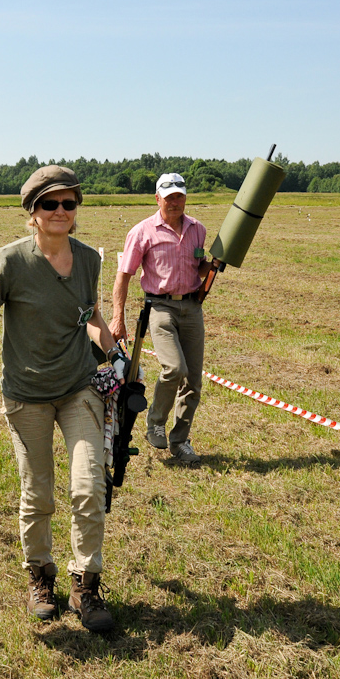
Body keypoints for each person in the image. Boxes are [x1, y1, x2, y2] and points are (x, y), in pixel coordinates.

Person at [0, 165, 128, 633]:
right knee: (37, 494)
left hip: (78, 388)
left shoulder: (88, 259)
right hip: (26, 395)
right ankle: (40, 576)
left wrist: (113, 354)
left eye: (69, 203)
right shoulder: (9, 262)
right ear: (32, 213)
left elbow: (91, 314)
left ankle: (86, 584)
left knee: (88, 486)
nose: (60, 211)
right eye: (49, 204)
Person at [109, 172, 211, 467]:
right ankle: (155, 420)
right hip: (160, 308)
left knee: (193, 382)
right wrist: (119, 318)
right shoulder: (142, 232)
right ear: (158, 199)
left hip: (192, 308)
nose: (175, 202)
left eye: (179, 196)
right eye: (169, 198)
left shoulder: (197, 229)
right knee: (174, 368)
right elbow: (124, 276)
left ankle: (180, 442)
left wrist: (213, 263)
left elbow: (199, 267)